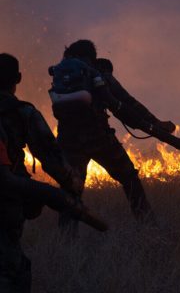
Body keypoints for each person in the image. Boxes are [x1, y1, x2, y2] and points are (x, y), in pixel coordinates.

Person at [0, 53, 103, 293]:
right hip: (5, 206)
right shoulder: (22, 113)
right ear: (18, 78)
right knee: (11, 272)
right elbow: (52, 159)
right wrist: (69, 188)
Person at [49, 40, 175, 227]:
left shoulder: (63, 77)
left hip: (69, 142)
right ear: (92, 57)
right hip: (100, 139)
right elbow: (127, 103)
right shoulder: (98, 75)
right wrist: (154, 124)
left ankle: (66, 240)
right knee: (129, 178)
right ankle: (148, 225)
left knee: (71, 191)